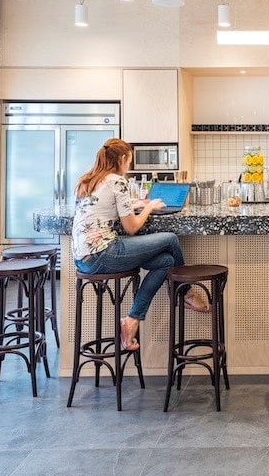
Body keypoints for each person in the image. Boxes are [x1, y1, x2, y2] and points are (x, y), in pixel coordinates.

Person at [72, 138, 207, 352]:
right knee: (171, 239)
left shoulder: (88, 180)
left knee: (166, 261)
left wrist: (137, 203)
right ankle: (186, 293)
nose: (128, 167)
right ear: (122, 158)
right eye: (129, 161)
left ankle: (132, 319)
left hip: (84, 259)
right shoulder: (117, 180)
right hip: (103, 254)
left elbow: (103, 205)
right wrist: (149, 207)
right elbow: (132, 227)